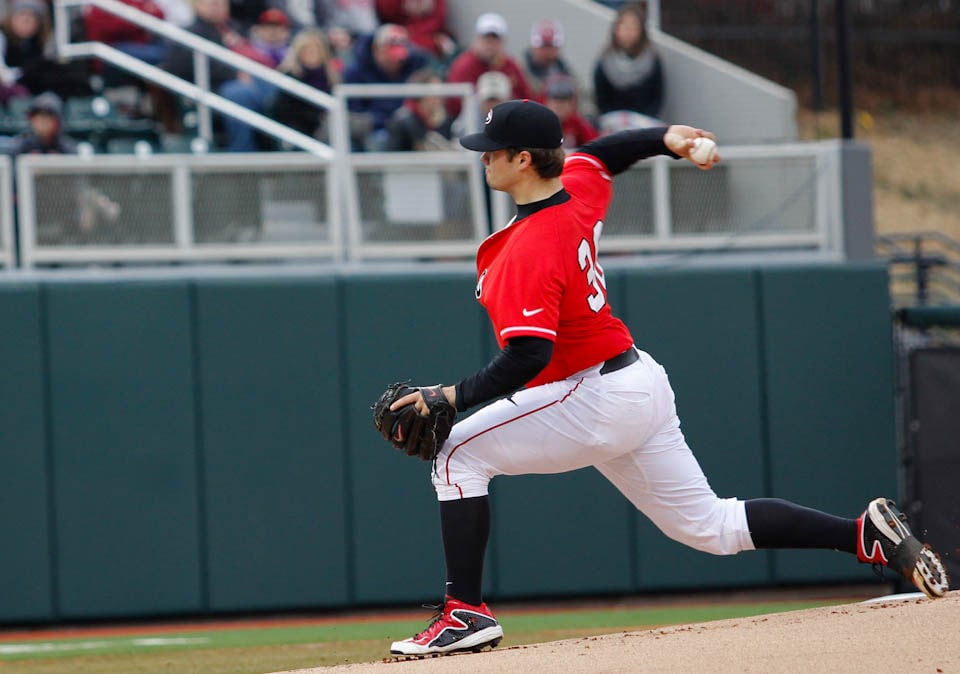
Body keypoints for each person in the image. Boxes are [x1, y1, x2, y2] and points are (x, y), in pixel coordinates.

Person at [383, 99, 950, 657]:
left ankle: (465, 613)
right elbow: (602, 155)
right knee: (710, 527)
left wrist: (449, 396)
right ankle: (863, 536)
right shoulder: (572, 189)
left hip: (592, 393)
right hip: (636, 381)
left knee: (456, 456)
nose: (483, 160)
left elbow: (528, 355)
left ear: (525, 160)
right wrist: (667, 138)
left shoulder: (530, 246)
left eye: (493, 152)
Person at [167, 0, 277, 151]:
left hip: (249, 80)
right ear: (197, 5)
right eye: (212, 3)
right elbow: (180, 65)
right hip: (210, 88)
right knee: (240, 94)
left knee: (275, 88)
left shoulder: (235, 28)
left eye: (221, 3)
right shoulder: (190, 32)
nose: (217, 5)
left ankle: (279, 147)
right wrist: (234, 73)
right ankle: (242, 153)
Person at [342, 22, 430, 151]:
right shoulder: (356, 72)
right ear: (377, 49)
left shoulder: (415, 66)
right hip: (374, 130)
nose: (396, 62)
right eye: (391, 56)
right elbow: (354, 112)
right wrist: (384, 120)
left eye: (400, 57)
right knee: (379, 139)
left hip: (408, 126)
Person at [444, 12, 534, 119]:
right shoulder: (463, 66)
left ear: (503, 42)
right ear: (477, 40)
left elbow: (527, 98)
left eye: (495, 40)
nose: (490, 45)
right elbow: (453, 105)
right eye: (486, 39)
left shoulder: (511, 66)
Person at [592, 1, 664, 127]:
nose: (628, 32)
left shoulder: (652, 60)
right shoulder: (605, 61)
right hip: (611, 124)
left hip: (643, 123)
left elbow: (656, 98)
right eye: (624, 26)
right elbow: (601, 99)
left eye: (633, 27)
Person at [272, 27, 338, 140]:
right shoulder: (290, 76)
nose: (312, 53)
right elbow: (284, 111)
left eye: (316, 49)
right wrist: (317, 117)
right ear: (299, 52)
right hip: (300, 131)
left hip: (327, 127)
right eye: (307, 49)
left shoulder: (331, 76)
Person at [385, 67, 452, 151]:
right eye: (434, 93)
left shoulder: (444, 119)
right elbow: (394, 157)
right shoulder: (402, 121)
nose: (440, 97)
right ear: (421, 95)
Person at [374, 0, 454, 64]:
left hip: (424, 36)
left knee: (446, 46)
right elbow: (385, 13)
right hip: (396, 33)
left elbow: (437, 20)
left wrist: (412, 32)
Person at [522, 17, 573, 99]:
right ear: (533, 47)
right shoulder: (519, 72)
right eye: (544, 46)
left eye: (551, 46)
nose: (547, 52)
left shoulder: (567, 74)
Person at [542, 74, 597, 149]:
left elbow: (594, 145)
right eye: (555, 100)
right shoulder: (540, 124)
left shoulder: (577, 122)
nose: (559, 106)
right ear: (546, 101)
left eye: (564, 101)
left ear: (572, 103)